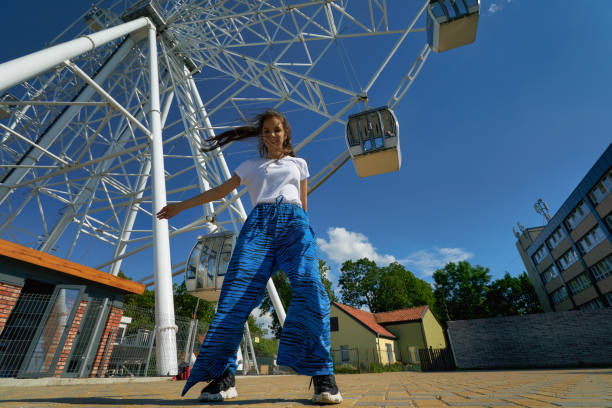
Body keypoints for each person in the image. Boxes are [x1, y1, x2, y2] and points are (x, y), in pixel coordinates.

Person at [156, 110, 342, 405]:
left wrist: (306, 234)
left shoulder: (299, 164)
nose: (271, 135)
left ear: (286, 133)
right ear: (261, 136)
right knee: (234, 296)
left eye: (277, 130)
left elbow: (304, 205)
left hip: (294, 225)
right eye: (266, 131)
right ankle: (225, 377)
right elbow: (219, 192)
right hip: (258, 228)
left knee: (311, 288)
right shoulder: (250, 166)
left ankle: (323, 376)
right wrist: (182, 205)